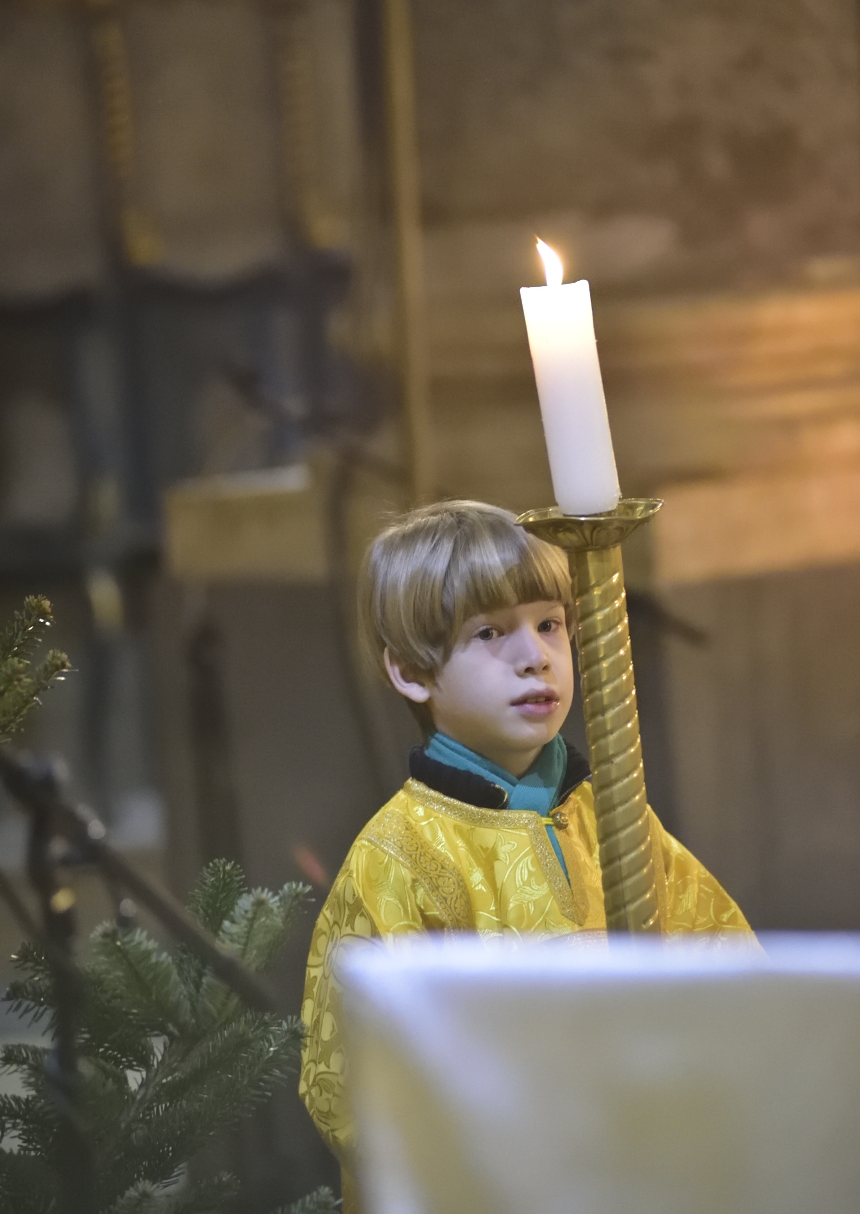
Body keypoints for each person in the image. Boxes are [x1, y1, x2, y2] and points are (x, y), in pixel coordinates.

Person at [299, 499, 753, 1199]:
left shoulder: (614, 817)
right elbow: (353, 1082)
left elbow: (730, 970)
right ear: (412, 671)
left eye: (549, 624)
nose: (535, 657)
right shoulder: (397, 858)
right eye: (490, 632)